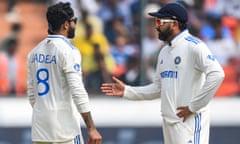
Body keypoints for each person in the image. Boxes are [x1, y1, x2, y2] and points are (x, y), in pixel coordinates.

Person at [101, 3, 225, 144]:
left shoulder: (194, 46)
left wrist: (193, 107)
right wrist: (128, 91)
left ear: (174, 24)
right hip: (169, 123)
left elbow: (217, 74)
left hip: (189, 123)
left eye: (159, 22)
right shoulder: (164, 52)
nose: (156, 26)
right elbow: (158, 88)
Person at [27, 2, 102, 144]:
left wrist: (44, 112)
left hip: (40, 128)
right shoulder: (69, 51)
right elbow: (77, 90)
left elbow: (32, 94)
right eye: (74, 21)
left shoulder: (34, 52)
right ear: (66, 25)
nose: (76, 25)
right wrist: (91, 128)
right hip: (64, 130)